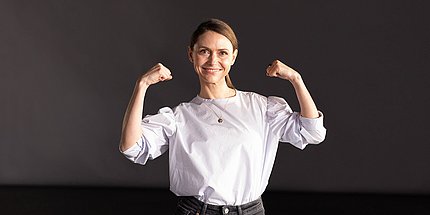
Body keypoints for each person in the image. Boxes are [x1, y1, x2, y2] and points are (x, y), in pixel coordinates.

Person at [119, 18, 326, 215]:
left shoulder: (261, 107)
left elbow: (311, 132)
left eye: (222, 53)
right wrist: (142, 85)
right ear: (191, 54)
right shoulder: (179, 117)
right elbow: (132, 147)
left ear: (233, 57)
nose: (213, 60)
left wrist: (296, 79)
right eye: (204, 51)